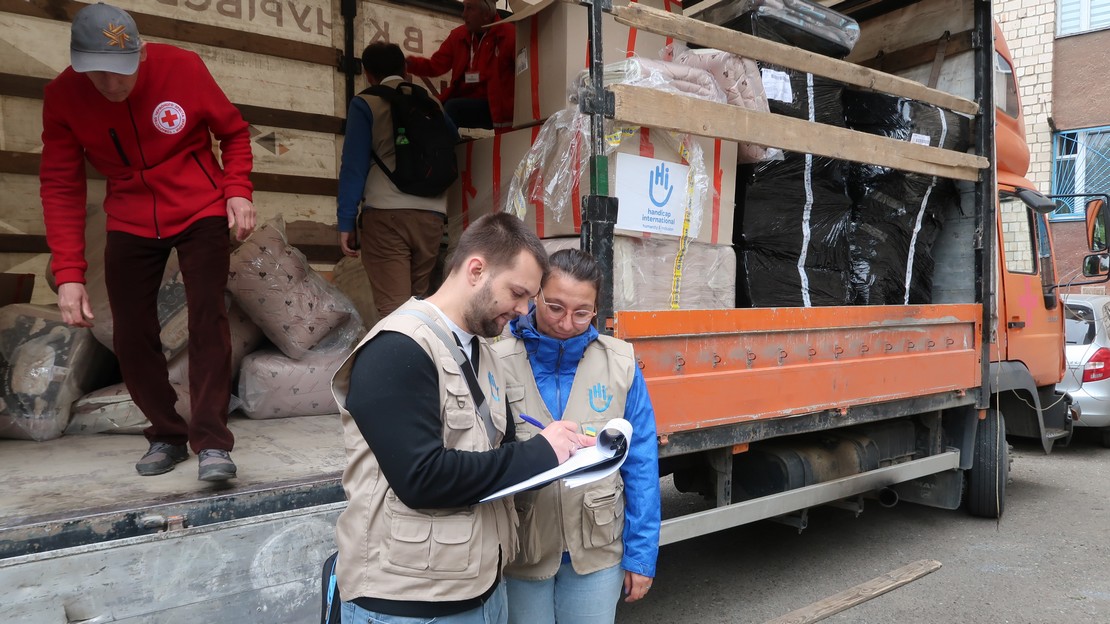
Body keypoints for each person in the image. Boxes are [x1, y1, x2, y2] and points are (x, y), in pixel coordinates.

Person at [331, 212, 596, 624]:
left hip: (482, 591)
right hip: (409, 607)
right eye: (518, 293)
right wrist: (542, 454)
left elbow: (500, 453)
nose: (525, 310)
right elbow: (422, 478)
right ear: (476, 270)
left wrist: (568, 453)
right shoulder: (397, 350)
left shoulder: (485, 352)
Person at [39, 3, 255, 481]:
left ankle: (213, 442)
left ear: (139, 54)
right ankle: (167, 434)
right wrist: (69, 275)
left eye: (123, 73)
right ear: (78, 65)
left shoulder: (182, 67)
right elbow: (60, 185)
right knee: (132, 334)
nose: (114, 86)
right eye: (99, 75)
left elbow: (234, 134)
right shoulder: (62, 97)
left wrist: (237, 190)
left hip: (199, 205)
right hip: (131, 218)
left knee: (206, 318)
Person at [494, 249, 661, 623]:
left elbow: (641, 463)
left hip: (598, 549)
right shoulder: (496, 360)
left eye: (582, 312)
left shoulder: (620, 363)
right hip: (524, 548)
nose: (567, 323)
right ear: (534, 296)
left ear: (597, 310)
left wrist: (641, 556)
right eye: (554, 307)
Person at [338, 42, 456, 319]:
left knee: (396, 312)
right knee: (417, 307)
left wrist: (346, 221)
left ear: (367, 74)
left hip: (387, 217)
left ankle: (404, 360)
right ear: (405, 69)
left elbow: (353, 167)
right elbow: (453, 141)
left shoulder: (365, 103)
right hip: (432, 218)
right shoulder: (433, 103)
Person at [406, 0, 515, 129]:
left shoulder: (509, 34)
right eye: (464, 8)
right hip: (466, 103)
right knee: (428, 108)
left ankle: (444, 148)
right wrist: (409, 64)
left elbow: (525, 73)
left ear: (485, 14)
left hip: (497, 108)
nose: (463, 14)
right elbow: (436, 66)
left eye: (469, 8)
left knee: (452, 108)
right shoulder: (458, 36)